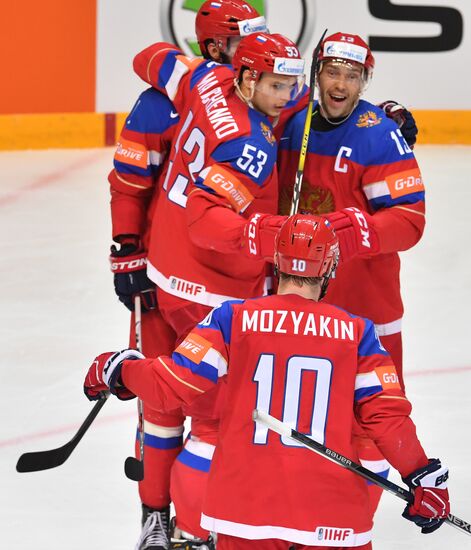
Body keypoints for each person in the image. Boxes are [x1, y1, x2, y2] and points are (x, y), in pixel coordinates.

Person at [84, 214, 450, 549]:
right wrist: (421, 475)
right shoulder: (357, 333)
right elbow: (387, 418)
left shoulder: (232, 319)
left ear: (278, 263)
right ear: (330, 267)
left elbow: (172, 384)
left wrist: (118, 369)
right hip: (332, 516)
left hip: (244, 514)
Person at [107, 2, 269, 547]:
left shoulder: (217, 86)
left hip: (189, 275)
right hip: (164, 277)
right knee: (169, 405)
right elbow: (129, 181)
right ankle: (159, 516)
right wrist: (126, 247)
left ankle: (199, 516)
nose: (254, 45)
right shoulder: (161, 105)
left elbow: (150, 55)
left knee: (197, 403)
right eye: (243, 38)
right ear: (216, 46)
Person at [277, 32, 426, 514]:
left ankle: (351, 523)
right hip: (297, 303)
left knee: (368, 421)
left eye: (353, 75)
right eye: (333, 72)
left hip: (366, 305)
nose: (341, 84)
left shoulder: (379, 134)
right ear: (317, 73)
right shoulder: (291, 122)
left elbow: (410, 220)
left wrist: (350, 229)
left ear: (365, 80)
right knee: (292, 412)